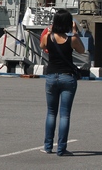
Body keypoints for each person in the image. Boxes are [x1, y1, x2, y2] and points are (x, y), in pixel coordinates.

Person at [39, 9, 85, 156]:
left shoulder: (47, 37)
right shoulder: (71, 39)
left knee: (51, 113)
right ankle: (61, 149)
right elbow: (82, 50)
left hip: (52, 76)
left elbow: (42, 47)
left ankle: (48, 146)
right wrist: (75, 32)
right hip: (67, 77)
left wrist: (50, 31)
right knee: (65, 115)